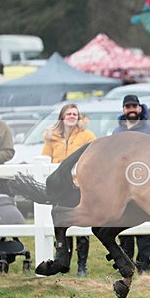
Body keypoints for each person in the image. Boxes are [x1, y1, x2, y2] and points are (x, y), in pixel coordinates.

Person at [41, 104, 97, 277]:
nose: (72, 116)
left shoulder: (87, 136)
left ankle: (82, 266)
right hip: (61, 189)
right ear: (62, 117)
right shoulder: (52, 138)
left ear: (79, 117)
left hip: (80, 187)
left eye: (75, 114)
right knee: (62, 224)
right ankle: (64, 262)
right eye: (68, 114)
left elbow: (94, 158)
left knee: (81, 224)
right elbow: (45, 160)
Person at [112, 94, 150, 273]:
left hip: (144, 184)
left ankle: (144, 263)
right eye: (128, 107)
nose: (131, 110)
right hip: (122, 185)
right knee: (122, 221)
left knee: (142, 223)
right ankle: (126, 261)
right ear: (124, 109)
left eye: (134, 106)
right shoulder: (117, 132)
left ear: (140, 108)